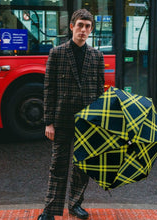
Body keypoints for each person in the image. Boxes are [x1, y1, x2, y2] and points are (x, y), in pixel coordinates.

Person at [38, 9, 105, 220]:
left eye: (87, 27)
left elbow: (99, 90)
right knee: (58, 165)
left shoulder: (97, 56)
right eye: (80, 26)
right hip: (61, 119)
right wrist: (49, 122)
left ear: (91, 30)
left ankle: (75, 205)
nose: (83, 30)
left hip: (87, 122)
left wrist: (99, 121)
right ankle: (50, 210)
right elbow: (49, 89)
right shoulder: (56, 53)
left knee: (82, 166)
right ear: (71, 27)